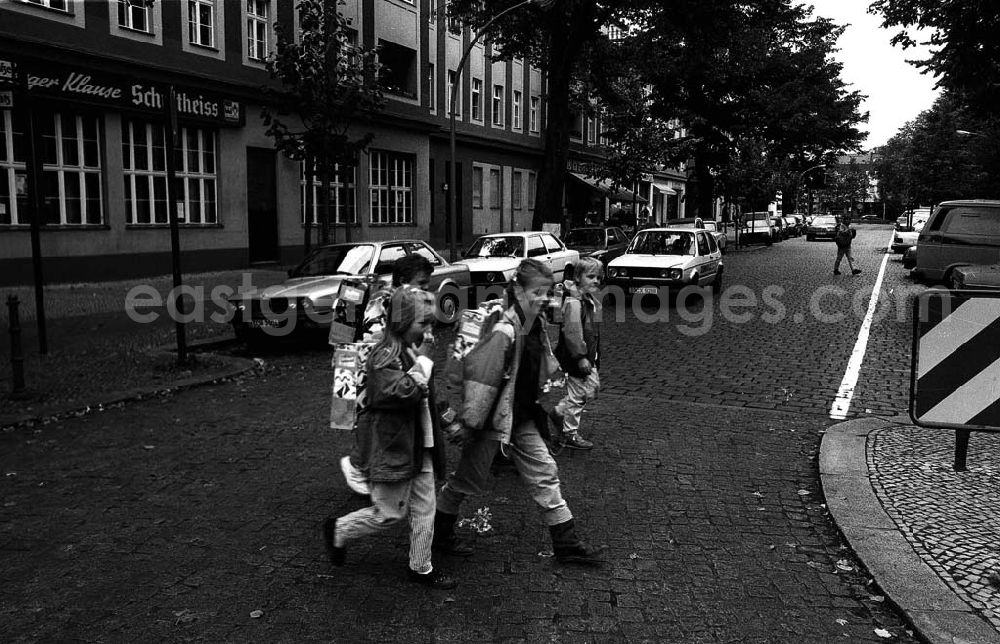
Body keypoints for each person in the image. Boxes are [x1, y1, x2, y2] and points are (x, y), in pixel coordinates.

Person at [432, 259, 606, 565]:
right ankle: (437, 534)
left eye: (547, 291)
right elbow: (482, 381)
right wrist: (467, 424)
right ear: (517, 289)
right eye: (537, 292)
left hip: (520, 417)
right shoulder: (505, 329)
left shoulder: (532, 322)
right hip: (492, 422)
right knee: (464, 481)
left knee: (545, 473)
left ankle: (566, 543)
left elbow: (542, 362)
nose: (544, 298)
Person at [323, 287, 457, 590]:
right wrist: (424, 362)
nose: (429, 330)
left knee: (425, 508)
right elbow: (399, 393)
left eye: (430, 323)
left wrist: (446, 422)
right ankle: (340, 530)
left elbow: (428, 396)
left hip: (418, 445)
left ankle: (421, 566)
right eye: (423, 323)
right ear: (401, 322)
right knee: (389, 513)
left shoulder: (410, 347)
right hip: (395, 447)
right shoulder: (386, 355)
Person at [338, 254, 434, 496]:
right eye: (421, 283)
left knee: (371, 418)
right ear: (403, 280)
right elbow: (376, 340)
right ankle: (359, 465)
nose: (424, 289)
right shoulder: (384, 301)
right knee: (368, 417)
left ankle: (368, 467)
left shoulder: (396, 298)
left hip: (373, 367)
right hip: (366, 369)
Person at [550, 256, 602, 451]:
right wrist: (580, 357)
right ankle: (569, 434)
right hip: (577, 358)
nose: (596, 281)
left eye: (598, 277)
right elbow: (572, 332)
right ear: (579, 277)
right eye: (591, 277)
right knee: (579, 395)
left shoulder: (587, 298)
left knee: (590, 388)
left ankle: (559, 412)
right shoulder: (574, 302)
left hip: (588, 357)